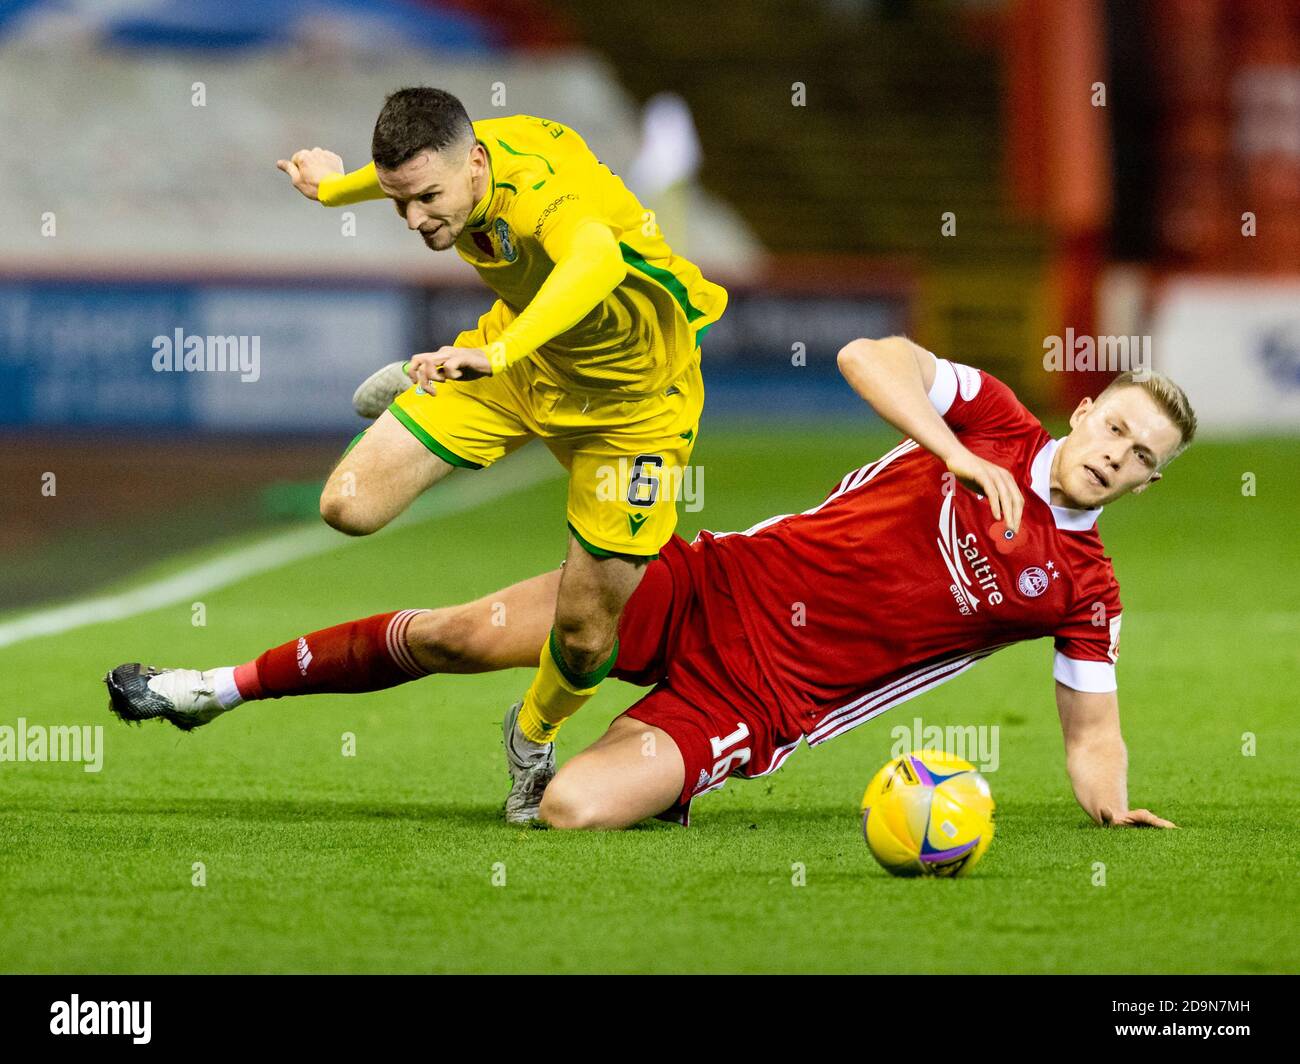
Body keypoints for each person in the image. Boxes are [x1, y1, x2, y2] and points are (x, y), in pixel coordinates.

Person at [107, 336, 1194, 830]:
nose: (1118, 454)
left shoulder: (1083, 586)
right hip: (710, 581)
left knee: (574, 810)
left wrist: (1110, 806)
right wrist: (950, 450)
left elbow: (1088, 729)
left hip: (761, 699)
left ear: (1144, 482)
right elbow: (870, 357)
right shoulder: (990, 417)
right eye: (1118, 429)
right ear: (1088, 409)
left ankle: (659, 775)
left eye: (1143, 456)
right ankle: (213, 687)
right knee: (445, 634)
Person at [272, 88, 727, 821]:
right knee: (346, 507)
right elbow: (392, 177)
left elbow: (595, 259)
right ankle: (419, 396)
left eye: (427, 199)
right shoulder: (457, 157)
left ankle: (532, 733)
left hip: (632, 413)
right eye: (399, 204)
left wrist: (505, 348)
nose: (417, 220)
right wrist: (330, 190)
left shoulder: (547, 196)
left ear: (476, 164)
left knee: (584, 634)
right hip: (512, 367)